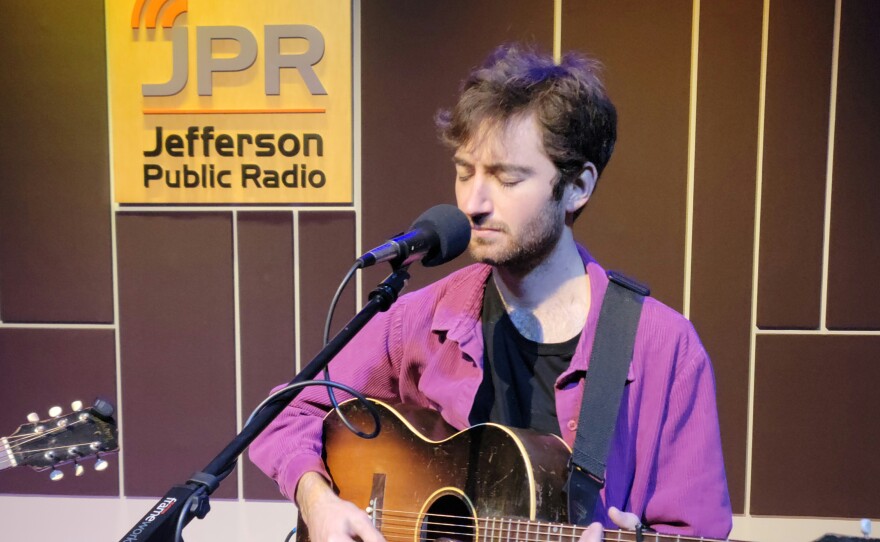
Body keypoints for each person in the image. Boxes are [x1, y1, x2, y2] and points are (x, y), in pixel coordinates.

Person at [250, 44, 732, 542]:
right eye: (465, 172)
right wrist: (319, 501)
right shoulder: (424, 318)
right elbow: (284, 413)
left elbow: (697, 530)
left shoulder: (664, 347)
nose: (472, 203)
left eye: (506, 177)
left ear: (577, 187)